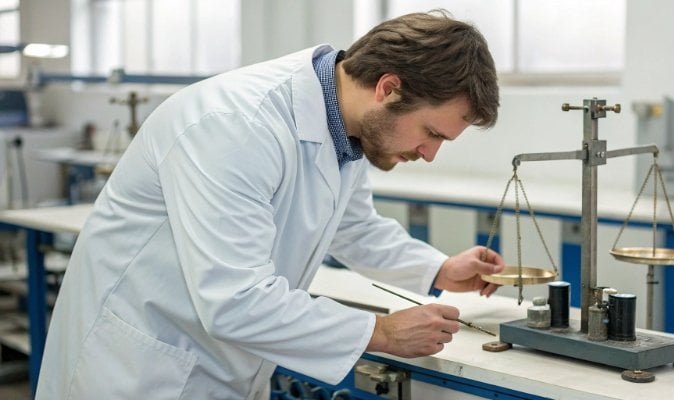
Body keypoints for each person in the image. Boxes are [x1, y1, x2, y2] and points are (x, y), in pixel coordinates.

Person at [36, 10, 502, 399]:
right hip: (139, 368)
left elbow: (353, 227)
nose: (430, 153)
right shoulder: (234, 126)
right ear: (388, 88)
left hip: (219, 365)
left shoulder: (348, 127)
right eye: (432, 133)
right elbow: (235, 300)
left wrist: (440, 269)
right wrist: (380, 333)